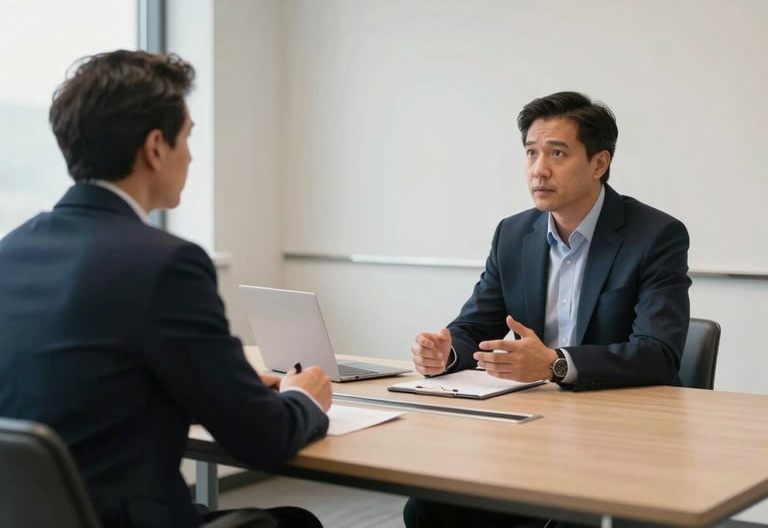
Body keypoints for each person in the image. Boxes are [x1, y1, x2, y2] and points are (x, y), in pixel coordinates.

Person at [0, 50, 332, 528]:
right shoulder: (167, 264)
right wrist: (303, 397)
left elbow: (82, 387)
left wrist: (216, 384)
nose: (192, 155)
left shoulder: (13, 249)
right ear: (156, 147)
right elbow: (263, 439)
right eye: (188, 137)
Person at [405, 91, 691, 528]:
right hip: (532, 427)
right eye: (531, 153)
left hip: (620, 437)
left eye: (558, 153)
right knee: (426, 509)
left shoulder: (655, 235)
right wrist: (447, 350)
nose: (539, 169)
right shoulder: (514, 233)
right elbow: (475, 324)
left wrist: (555, 363)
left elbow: (658, 353)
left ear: (599, 163)